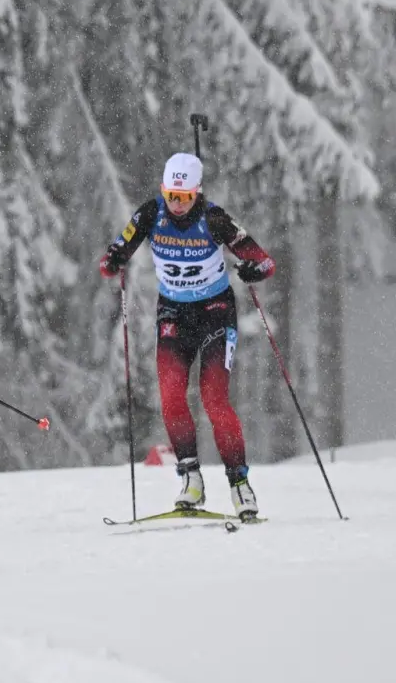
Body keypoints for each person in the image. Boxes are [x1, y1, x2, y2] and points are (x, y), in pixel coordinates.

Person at [98, 153, 275, 519]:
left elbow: (264, 260)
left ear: (197, 193)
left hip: (215, 313)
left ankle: (240, 484)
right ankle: (190, 478)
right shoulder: (151, 214)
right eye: (170, 196)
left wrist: (253, 269)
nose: (177, 205)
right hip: (174, 313)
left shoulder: (214, 219)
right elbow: (118, 249)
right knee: (172, 394)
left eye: (184, 197)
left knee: (214, 398)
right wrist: (114, 260)